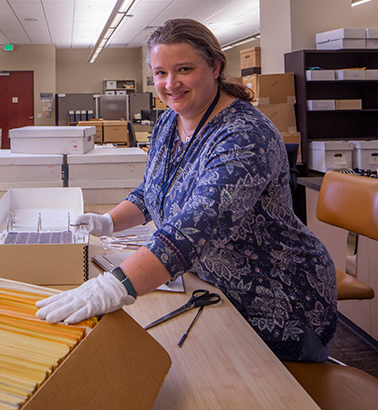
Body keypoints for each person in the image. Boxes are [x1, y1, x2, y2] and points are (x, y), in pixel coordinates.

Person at [36, 18, 337, 362]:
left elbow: (200, 224)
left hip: (276, 302)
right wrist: (107, 222)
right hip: (212, 286)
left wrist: (116, 285)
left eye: (184, 69)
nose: (170, 84)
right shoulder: (168, 121)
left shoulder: (244, 134)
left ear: (215, 67)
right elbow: (154, 189)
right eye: (160, 73)